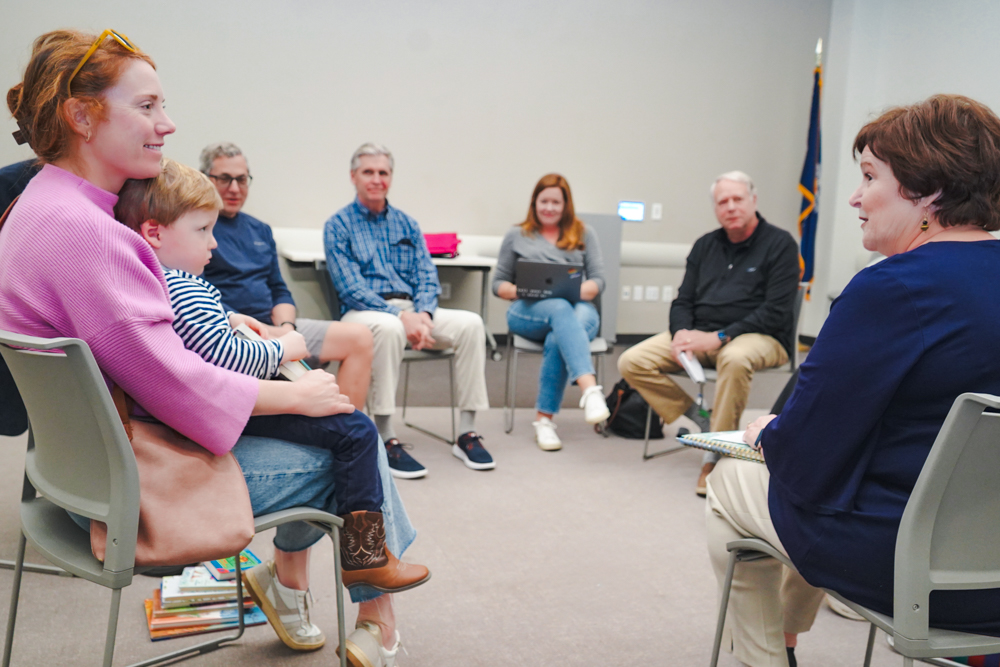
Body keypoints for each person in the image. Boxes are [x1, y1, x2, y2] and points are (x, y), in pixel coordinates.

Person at [0, 29, 414, 666]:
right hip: (129, 490)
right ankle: (371, 612)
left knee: (330, 421)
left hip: (69, 471)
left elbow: (150, 352)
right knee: (350, 438)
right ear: (81, 116)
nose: (167, 124)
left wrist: (256, 351)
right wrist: (296, 390)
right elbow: (181, 392)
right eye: (146, 107)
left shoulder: (34, 206)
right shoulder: (91, 235)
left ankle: (301, 588)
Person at [706, 94, 1000, 667]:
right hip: (990, 569)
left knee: (728, 480)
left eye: (870, 177)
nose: (855, 197)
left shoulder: (890, 289)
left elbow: (806, 459)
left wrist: (765, 433)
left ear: (927, 189)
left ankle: (766, 656)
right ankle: (789, 633)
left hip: (914, 564)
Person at [114, 157, 430, 596]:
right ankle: (364, 558)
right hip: (223, 412)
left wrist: (232, 316)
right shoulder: (182, 284)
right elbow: (228, 359)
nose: (215, 244)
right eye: (203, 231)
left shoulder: (159, 280)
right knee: (356, 431)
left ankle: (336, 568)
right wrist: (285, 346)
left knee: (343, 415)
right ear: (155, 233)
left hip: (215, 406)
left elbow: (206, 332)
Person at [617, 171, 799, 495]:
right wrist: (680, 334)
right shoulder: (705, 245)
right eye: (722, 202)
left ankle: (716, 457)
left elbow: (776, 311)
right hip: (700, 334)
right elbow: (683, 299)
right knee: (631, 360)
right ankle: (703, 420)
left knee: (735, 358)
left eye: (737, 199)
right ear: (715, 208)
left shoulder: (780, 244)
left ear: (753, 201)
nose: (730, 207)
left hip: (760, 336)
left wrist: (719, 336)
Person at [324, 142, 493, 477]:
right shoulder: (338, 225)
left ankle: (467, 432)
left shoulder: (408, 225)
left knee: (472, 324)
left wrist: (424, 316)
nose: (376, 179)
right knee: (388, 329)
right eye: (368, 172)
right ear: (353, 176)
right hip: (363, 312)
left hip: (413, 310)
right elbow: (350, 288)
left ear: (391, 177)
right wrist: (401, 317)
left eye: (383, 172)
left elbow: (427, 277)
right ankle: (386, 435)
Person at [198, 142, 373, 409]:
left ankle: (348, 424)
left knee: (359, 337)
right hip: (234, 329)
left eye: (242, 179)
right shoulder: (199, 227)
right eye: (224, 178)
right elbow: (200, 293)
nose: (234, 188)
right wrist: (274, 334)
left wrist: (287, 329)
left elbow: (279, 289)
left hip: (278, 327)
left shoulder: (260, 230)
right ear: (206, 179)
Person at [492, 173, 611, 450]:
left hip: (578, 307)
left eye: (555, 202)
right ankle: (590, 390)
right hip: (527, 311)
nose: (549, 208)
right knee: (559, 309)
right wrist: (524, 289)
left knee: (561, 331)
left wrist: (569, 290)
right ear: (534, 203)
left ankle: (544, 423)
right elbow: (497, 284)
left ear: (565, 204)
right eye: (543, 201)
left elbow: (598, 281)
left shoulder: (584, 233)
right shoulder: (516, 234)